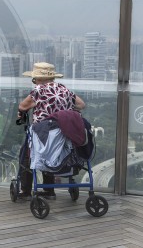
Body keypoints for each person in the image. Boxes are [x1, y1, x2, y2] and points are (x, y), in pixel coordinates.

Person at [17, 62, 85, 200]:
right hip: (65, 133)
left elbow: (23, 106)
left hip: (45, 133)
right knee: (52, 153)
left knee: (28, 154)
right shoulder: (64, 89)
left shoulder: (38, 91)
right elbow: (81, 104)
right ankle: (49, 191)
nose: (34, 81)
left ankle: (25, 191)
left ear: (38, 79)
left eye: (34, 79)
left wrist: (23, 112)